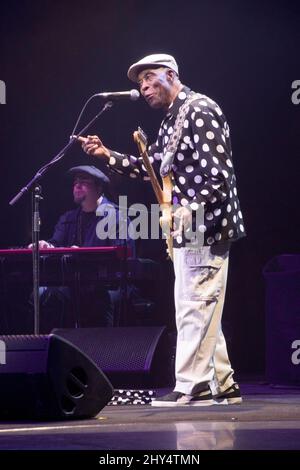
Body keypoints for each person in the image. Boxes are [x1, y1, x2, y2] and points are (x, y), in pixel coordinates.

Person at [78, 53, 245, 406]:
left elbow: (218, 173)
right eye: (140, 82)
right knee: (199, 304)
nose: (144, 86)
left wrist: (189, 209)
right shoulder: (172, 121)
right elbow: (149, 169)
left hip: (206, 226)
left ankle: (193, 385)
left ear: (171, 75)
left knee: (194, 305)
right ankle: (223, 381)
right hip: (187, 228)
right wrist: (106, 154)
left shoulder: (200, 109)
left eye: (150, 77)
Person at [29, 165, 133, 332]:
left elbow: (123, 255)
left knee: (97, 299)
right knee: (44, 294)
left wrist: (84, 254)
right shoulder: (68, 218)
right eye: (75, 182)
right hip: (75, 284)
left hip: (107, 286)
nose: (77, 185)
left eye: (84, 182)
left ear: (99, 188)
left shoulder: (116, 216)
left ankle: (100, 352)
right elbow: (56, 242)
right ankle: (56, 347)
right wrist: (47, 246)